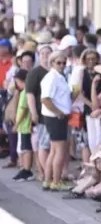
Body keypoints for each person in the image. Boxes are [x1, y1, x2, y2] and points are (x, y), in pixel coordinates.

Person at [41, 51, 74, 191]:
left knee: (54, 150)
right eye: (58, 62)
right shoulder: (52, 77)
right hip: (55, 117)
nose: (61, 65)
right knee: (60, 150)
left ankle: (49, 180)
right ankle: (56, 181)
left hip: (55, 116)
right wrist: (58, 112)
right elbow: (45, 98)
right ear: (52, 63)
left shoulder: (59, 77)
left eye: (63, 63)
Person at [26, 44, 53, 181]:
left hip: (54, 113)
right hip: (42, 113)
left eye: (48, 53)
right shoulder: (35, 72)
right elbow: (30, 94)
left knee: (52, 145)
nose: (45, 56)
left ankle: (51, 172)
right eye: (42, 53)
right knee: (44, 144)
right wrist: (34, 113)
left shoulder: (54, 71)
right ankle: (48, 174)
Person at [12, 69, 34, 181]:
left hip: (25, 125)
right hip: (23, 125)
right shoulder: (23, 92)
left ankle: (27, 169)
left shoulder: (26, 92)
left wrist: (17, 124)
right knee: (24, 148)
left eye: (18, 81)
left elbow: (25, 110)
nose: (17, 84)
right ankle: (24, 168)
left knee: (27, 148)